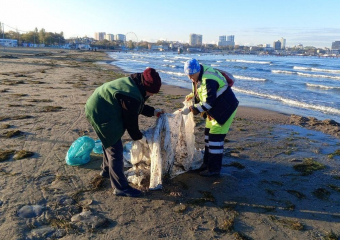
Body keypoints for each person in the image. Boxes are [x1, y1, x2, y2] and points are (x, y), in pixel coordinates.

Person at [85, 68, 164, 197]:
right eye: (151, 92)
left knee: (109, 141)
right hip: (99, 111)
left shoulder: (136, 83)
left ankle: (106, 170)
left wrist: (153, 111)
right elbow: (130, 121)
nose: (152, 95)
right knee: (115, 149)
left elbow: (136, 105)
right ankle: (120, 187)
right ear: (146, 86)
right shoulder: (132, 94)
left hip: (100, 104)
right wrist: (139, 137)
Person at [180, 59, 239, 177]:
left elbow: (208, 103)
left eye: (192, 75)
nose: (191, 78)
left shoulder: (208, 79)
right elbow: (201, 90)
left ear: (197, 71)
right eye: (189, 76)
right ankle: (206, 164)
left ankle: (214, 169)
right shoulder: (199, 74)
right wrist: (192, 95)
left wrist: (192, 109)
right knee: (208, 135)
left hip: (225, 109)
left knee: (215, 140)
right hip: (215, 109)